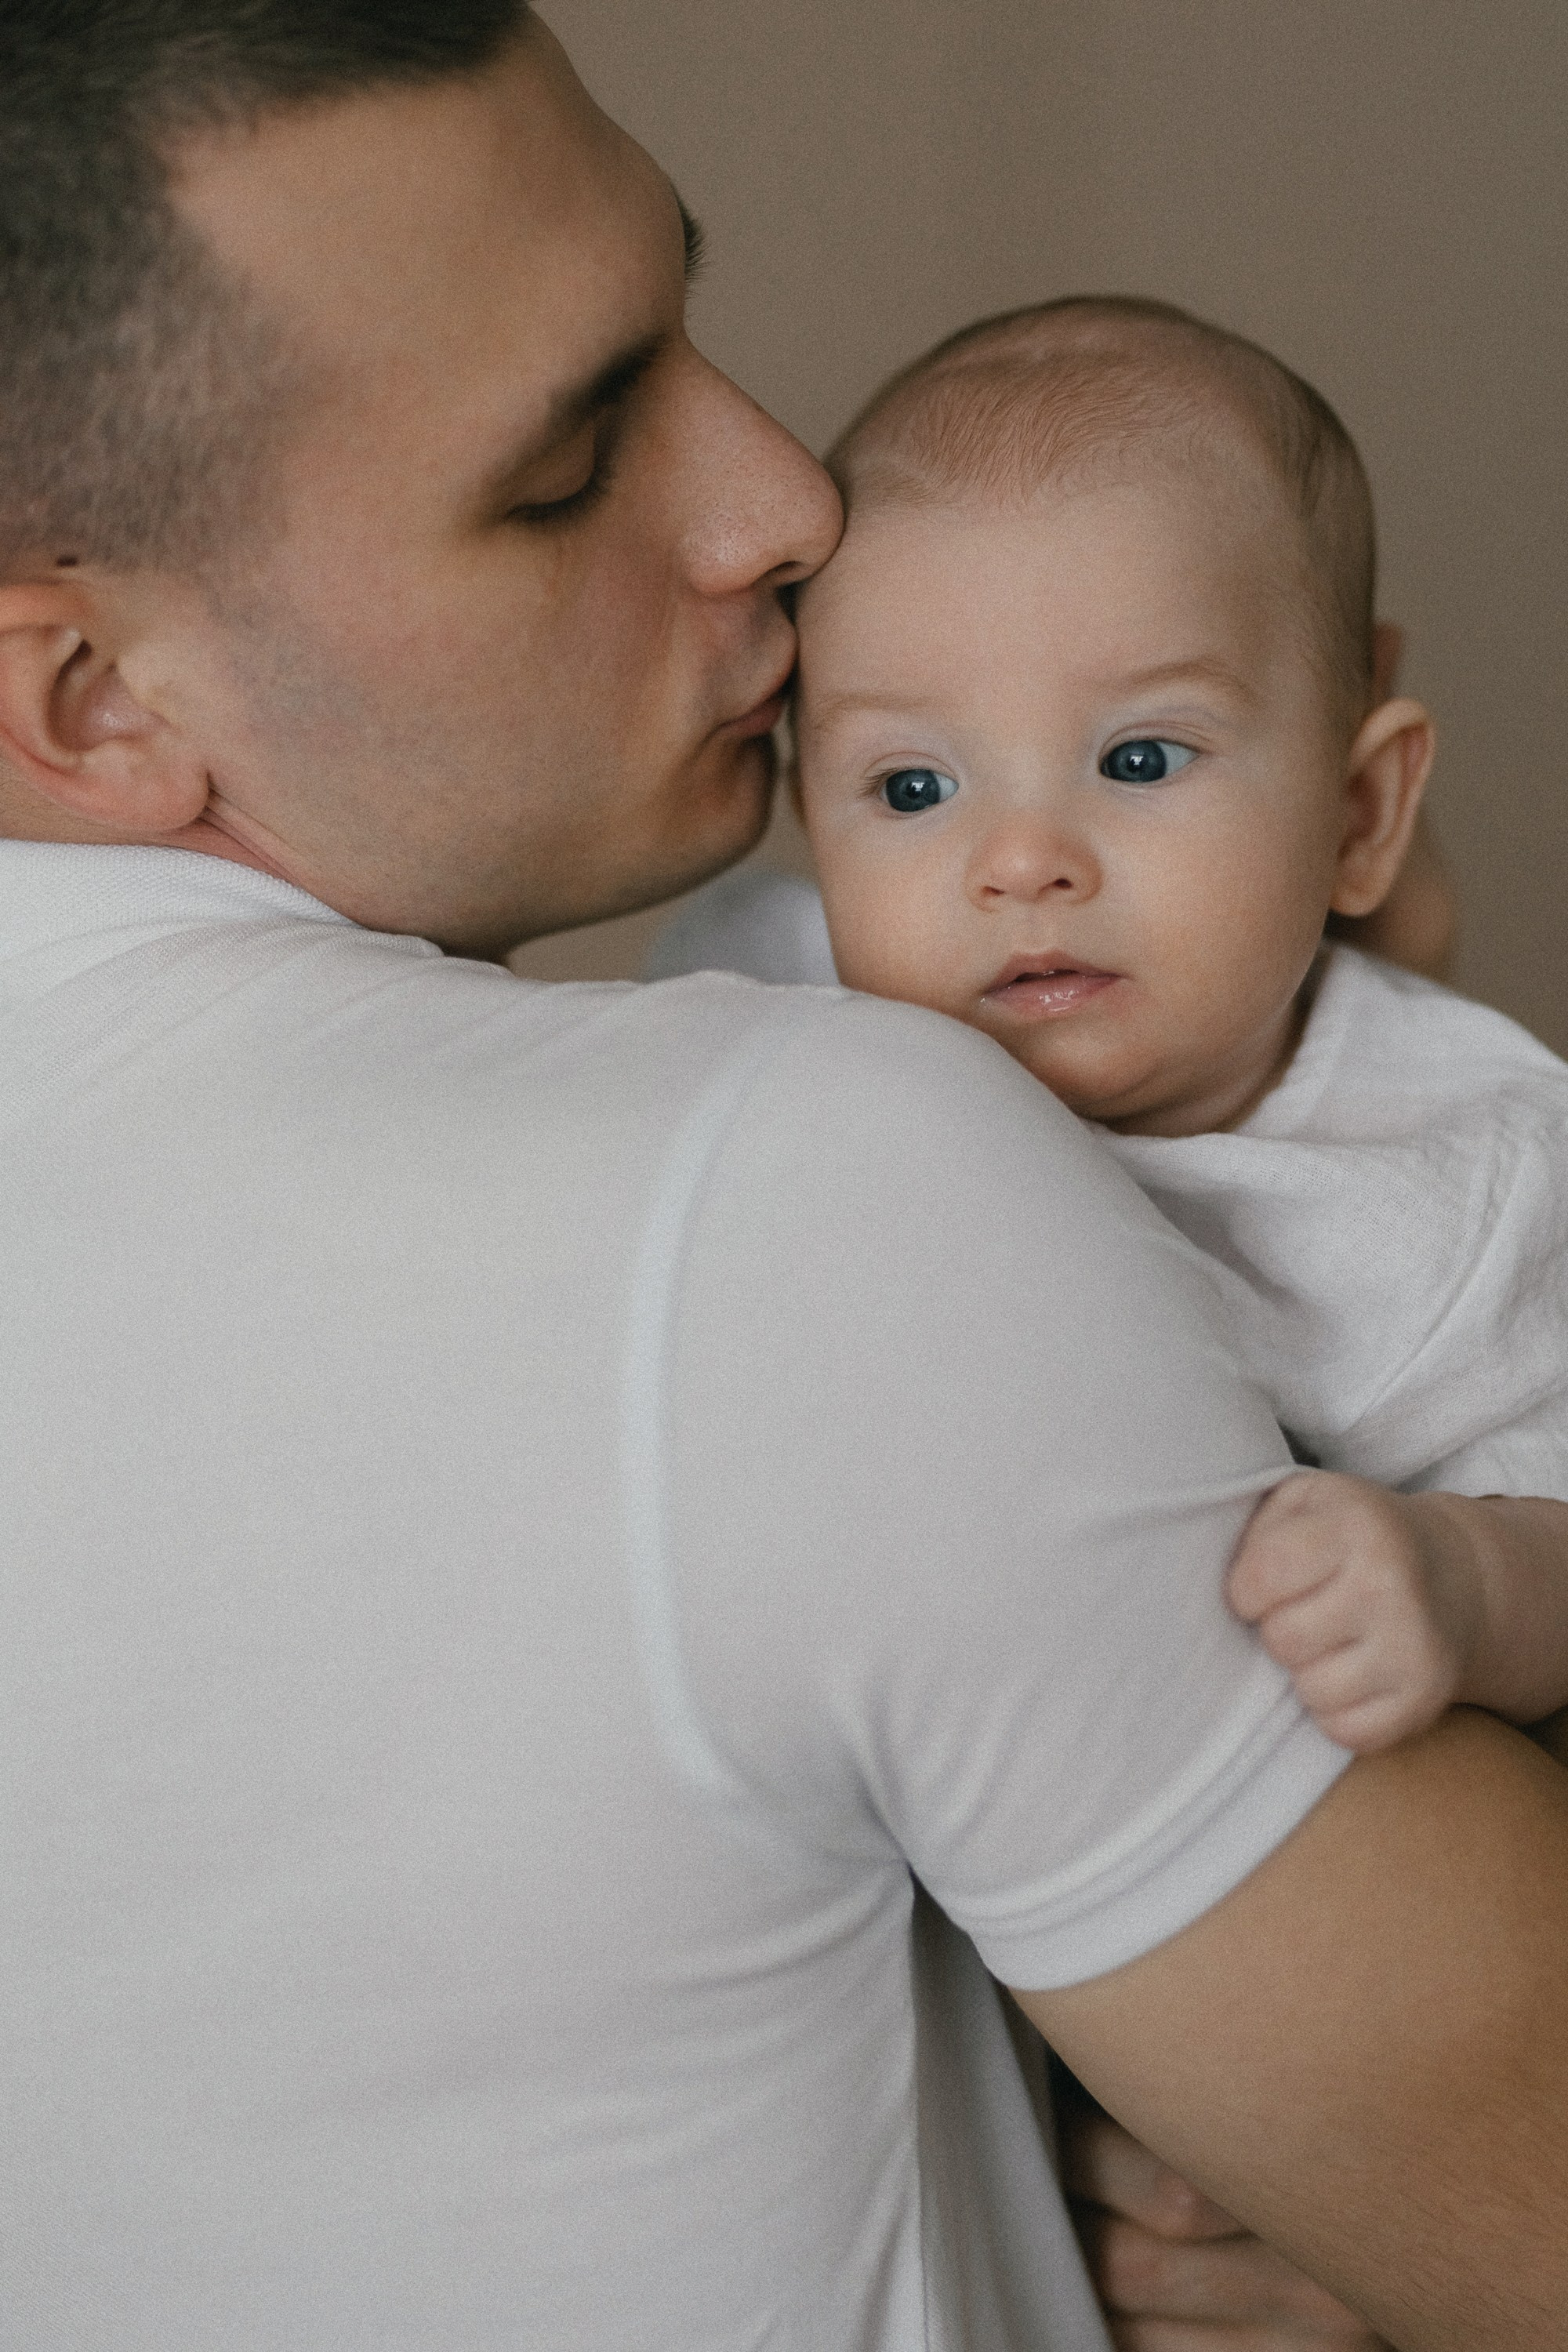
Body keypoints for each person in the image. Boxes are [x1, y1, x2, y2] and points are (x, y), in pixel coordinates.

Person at [3, 13, 1567, 2351]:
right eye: (564, 466)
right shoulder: (808, 1176)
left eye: (688, 335)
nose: (782, 506)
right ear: (93, 700)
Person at [648, 296, 1568, 2339]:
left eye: (1141, 759)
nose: (1022, 862)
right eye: (908, 790)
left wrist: (1462, 1573)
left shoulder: (1459, 1173)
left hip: (1318, 1994)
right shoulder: (772, 1007)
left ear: (1354, 812)